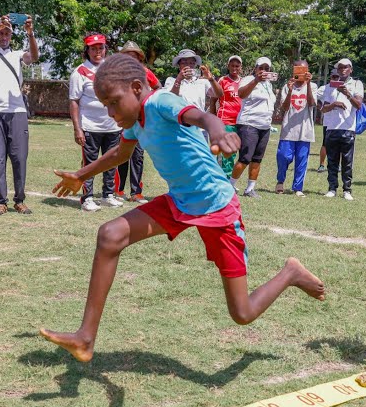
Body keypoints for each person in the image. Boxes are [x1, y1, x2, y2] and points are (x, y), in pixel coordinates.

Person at [40, 54, 326, 362]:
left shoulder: (161, 102)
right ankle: (85, 338)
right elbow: (119, 154)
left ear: (137, 88)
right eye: (104, 105)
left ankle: (291, 273)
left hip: (217, 208)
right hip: (179, 202)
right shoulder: (136, 122)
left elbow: (202, 117)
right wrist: (81, 175)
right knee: (110, 234)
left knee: (242, 313)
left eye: (113, 102)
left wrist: (217, 131)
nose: (110, 113)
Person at [0, 14, 39, 215]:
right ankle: (1, 201)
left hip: (17, 111)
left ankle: (19, 200)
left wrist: (30, 34)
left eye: (7, 34)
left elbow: (34, 57)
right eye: (0, 33)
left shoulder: (17, 54)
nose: (3, 37)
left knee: (19, 158)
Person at [69, 33, 124, 212]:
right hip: (90, 127)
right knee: (90, 164)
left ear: (105, 49)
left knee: (111, 162)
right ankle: (87, 197)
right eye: (93, 48)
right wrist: (77, 128)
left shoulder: (114, 70)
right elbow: (74, 101)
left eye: (100, 48)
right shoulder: (80, 72)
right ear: (87, 51)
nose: (97, 51)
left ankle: (108, 195)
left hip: (112, 126)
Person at [112, 41, 160, 204]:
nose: (130, 59)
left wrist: (148, 102)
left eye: (134, 56)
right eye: (127, 56)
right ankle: (118, 190)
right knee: (121, 154)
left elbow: (158, 87)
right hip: (121, 119)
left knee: (137, 155)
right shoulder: (116, 73)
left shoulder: (145, 72)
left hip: (140, 120)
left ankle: (136, 192)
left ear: (139, 58)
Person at [231, 57, 278, 198]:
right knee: (245, 158)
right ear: (255, 68)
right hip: (249, 123)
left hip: (264, 125)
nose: (264, 71)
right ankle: (230, 186)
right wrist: (256, 80)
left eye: (267, 68)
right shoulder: (247, 80)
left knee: (257, 159)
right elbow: (241, 94)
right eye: (261, 68)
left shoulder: (268, 84)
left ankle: (250, 188)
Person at [318, 58, 364, 200]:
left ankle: (347, 190)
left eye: (346, 67)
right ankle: (332, 188)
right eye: (340, 67)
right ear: (337, 69)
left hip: (348, 128)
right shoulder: (329, 86)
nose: (343, 69)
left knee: (347, 161)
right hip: (331, 127)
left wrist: (347, 94)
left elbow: (358, 105)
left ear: (351, 69)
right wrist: (334, 104)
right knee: (332, 161)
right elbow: (323, 109)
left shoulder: (356, 84)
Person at [273, 60, 318, 195]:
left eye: (304, 70)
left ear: (308, 70)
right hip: (288, 129)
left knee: (301, 159)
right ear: (294, 70)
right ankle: (280, 181)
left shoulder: (313, 86)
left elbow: (311, 103)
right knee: (283, 156)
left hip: (305, 130)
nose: (301, 72)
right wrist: (290, 91)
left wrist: (308, 84)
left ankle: (297, 188)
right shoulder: (287, 86)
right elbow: (284, 108)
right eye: (298, 69)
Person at [214, 56, 244, 179]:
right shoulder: (223, 80)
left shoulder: (244, 82)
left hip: (241, 121)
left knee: (234, 152)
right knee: (225, 152)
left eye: (237, 66)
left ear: (241, 68)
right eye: (232, 65)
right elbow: (213, 99)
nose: (234, 68)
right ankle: (223, 179)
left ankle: (228, 180)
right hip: (226, 121)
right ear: (228, 66)